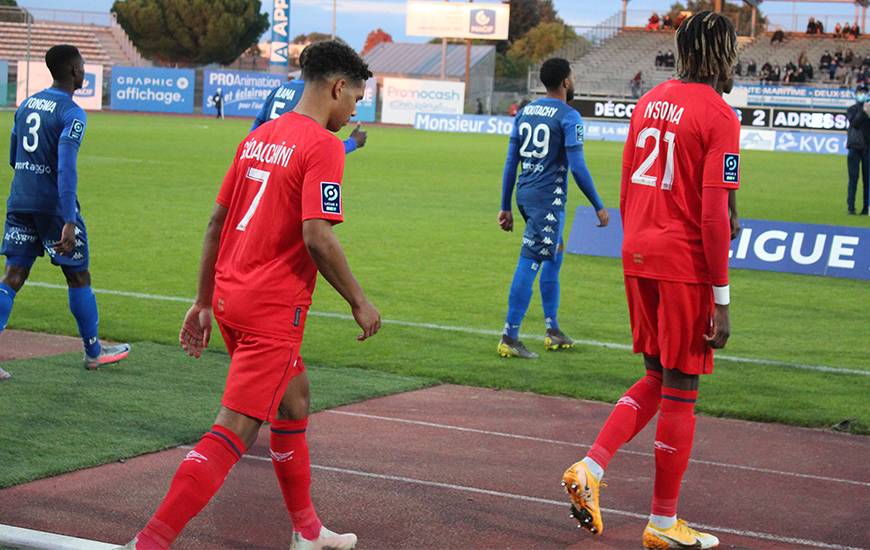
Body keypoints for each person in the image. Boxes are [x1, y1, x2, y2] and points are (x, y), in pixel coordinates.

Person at [118, 40, 380, 550]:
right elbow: (317, 236)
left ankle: (307, 532)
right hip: (271, 309)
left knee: (294, 400)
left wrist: (201, 300)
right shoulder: (323, 145)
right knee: (234, 430)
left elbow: (217, 221)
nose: (354, 111)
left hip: (231, 298)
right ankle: (149, 542)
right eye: (355, 99)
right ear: (338, 86)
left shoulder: (259, 137)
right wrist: (359, 301)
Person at [561, 11, 740, 549]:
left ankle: (591, 468)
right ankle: (663, 524)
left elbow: (628, 182)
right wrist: (722, 298)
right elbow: (713, 217)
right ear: (723, 54)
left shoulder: (650, 100)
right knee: (682, 388)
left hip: (638, 250)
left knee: (659, 376)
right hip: (683, 261)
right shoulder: (720, 114)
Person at [0, 44, 130, 381]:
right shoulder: (71, 113)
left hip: (19, 200)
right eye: (83, 65)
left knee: (13, 276)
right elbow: (66, 168)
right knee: (78, 275)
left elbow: (14, 157)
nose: (84, 71)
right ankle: (94, 351)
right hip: (53, 208)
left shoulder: (27, 103)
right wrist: (68, 218)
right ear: (74, 71)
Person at [496, 58, 609, 359]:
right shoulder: (569, 116)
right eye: (572, 77)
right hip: (547, 200)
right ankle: (510, 335)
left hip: (526, 193)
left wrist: (505, 205)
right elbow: (578, 167)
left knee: (553, 256)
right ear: (566, 82)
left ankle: (553, 329)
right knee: (530, 260)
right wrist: (598, 204)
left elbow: (511, 161)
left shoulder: (525, 112)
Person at [251, 67, 367, 154]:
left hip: (266, 157)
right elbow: (320, 150)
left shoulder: (279, 89)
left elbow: (255, 128)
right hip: (287, 161)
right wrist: (353, 142)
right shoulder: (311, 95)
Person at [846, 84, 870, 214]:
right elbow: (854, 123)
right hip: (854, 148)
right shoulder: (852, 109)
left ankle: (866, 207)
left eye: (864, 92)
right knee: (853, 178)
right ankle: (851, 207)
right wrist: (864, 112)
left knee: (867, 180)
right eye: (860, 92)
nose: (862, 94)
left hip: (867, 148)